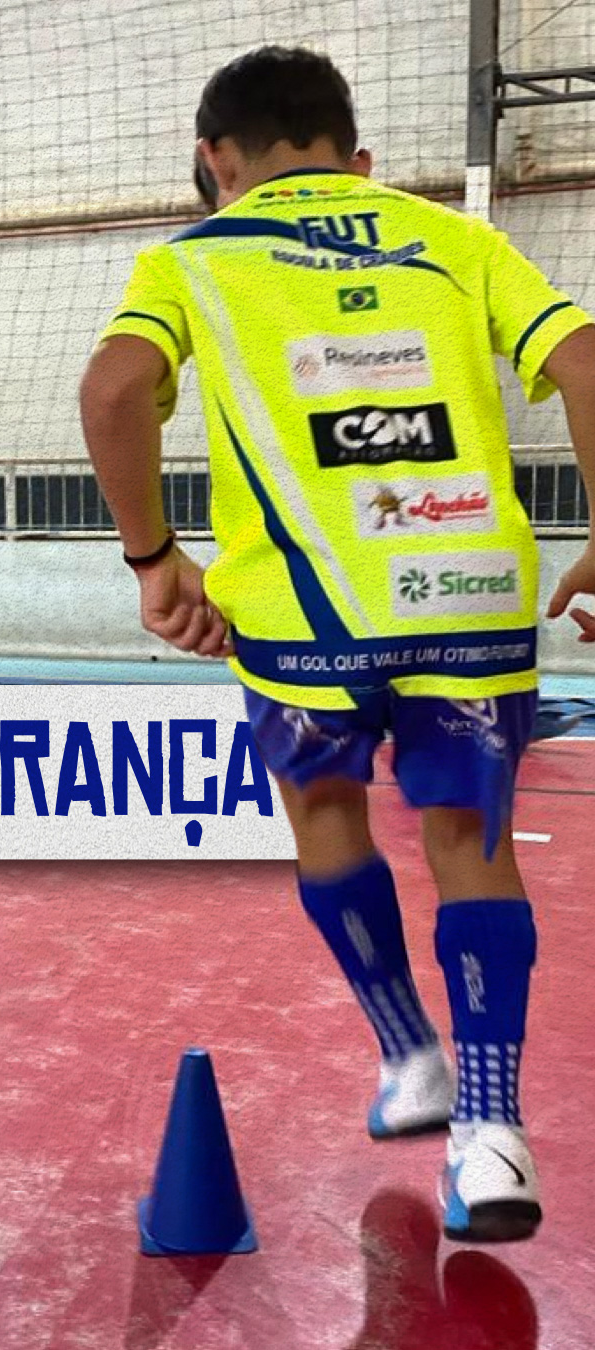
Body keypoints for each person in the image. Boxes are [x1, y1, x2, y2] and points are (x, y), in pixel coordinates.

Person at [80, 44, 595, 1243]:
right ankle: (491, 1137)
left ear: (214, 160)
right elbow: (584, 361)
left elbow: (111, 391)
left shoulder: (191, 258)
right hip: (466, 592)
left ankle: (410, 1056)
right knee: (470, 843)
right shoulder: (456, 240)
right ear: (358, 161)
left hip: (305, 614)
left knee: (325, 816)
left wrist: (156, 561)